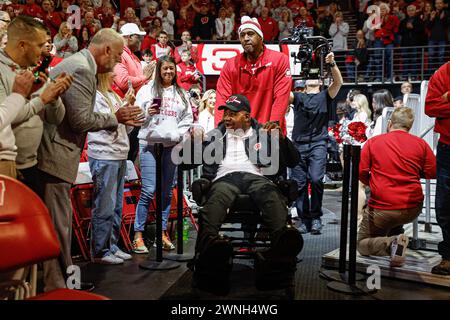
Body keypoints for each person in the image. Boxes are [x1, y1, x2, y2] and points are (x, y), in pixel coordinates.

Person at [37, 28, 144, 292]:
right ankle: (60, 285)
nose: (120, 61)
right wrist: (116, 118)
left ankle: (59, 282)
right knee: (58, 224)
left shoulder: (82, 66)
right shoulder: (83, 69)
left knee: (60, 222)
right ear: (106, 49)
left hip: (56, 153)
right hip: (54, 155)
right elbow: (80, 120)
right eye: (118, 55)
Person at [189, 94, 303, 295]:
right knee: (216, 199)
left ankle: (282, 243)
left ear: (247, 117)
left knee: (270, 195)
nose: (227, 118)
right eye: (225, 114)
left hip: (256, 176)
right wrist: (194, 143)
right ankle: (212, 246)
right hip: (225, 177)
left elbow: (294, 160)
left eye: (233, 114)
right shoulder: (216, 135)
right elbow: (187, 164)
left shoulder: (264, 133)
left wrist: (282, 139)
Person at [358, 107, 436, 267]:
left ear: (390, 123)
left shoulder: (373, 142)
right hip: (411, 208)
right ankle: (397, 244)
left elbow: (362, 172)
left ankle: (392, 243)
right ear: (410, 126)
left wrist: (374, 182)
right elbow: (432, 172)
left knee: (361, 244)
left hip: (382, 208)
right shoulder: (420, 144)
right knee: (395, 221)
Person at [132, 55, 193, 254]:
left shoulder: (181, 93)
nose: (168, 72)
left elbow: (187, 119)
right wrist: (147, 112)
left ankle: (162, 233)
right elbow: (136, 116)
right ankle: (138, 234)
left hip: (171, 146)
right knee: (149, 190)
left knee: (167, 192)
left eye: (171, 69)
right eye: (165, 69)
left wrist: (178, 135)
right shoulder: (147, 90)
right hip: (150, 144)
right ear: (158, 70)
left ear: (175, 71)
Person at [0, 16, 72, 180]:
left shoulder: (36, 70)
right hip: (7, 166)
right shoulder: (1, 70)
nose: (44, 50)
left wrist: (54, 98)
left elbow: (56, 118)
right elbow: (5, 118)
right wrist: (42, 100)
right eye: (40, 45)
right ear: (22, 45)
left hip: (33, 164)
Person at [290, 52, 343, 235]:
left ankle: (316, 216)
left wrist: (332, 64)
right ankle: (305, 219)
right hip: (298, 144)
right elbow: (284, 93)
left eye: (315, 77)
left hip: (318, 143)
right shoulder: (298, 97)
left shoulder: (324, 96)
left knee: (315, 179)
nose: (311, 79)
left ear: (320, 81)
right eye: (308, 77)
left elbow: (338, 83)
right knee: (299, 183)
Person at [87, 71, 134, 264]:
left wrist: (130, 108)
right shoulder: (95, 96)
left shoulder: (114, 95)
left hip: (119, 153)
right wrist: (124, 108)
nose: (115, 74)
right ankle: (100, 250)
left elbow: (124, 126)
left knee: (115, 206)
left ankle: (112, 245)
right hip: (104, 154)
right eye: (111, 71)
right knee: (104, 206)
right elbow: (105, 123)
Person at [215, 16, 292, 132]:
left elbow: (281, 97)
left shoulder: (279, 60)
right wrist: (219, 129)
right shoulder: (230, 65)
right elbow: (222, 99)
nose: (245, 38)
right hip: (239, 132)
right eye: (242, 35)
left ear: (261, 37)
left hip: (268, 129)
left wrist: (273, 125)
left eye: (250, 34)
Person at [425, 61, 450, 275]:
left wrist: (448, 99)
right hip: (447, 148)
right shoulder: (443, 73)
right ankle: (448, 256)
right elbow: (430, 108)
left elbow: (438, 106)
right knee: (444, 206)